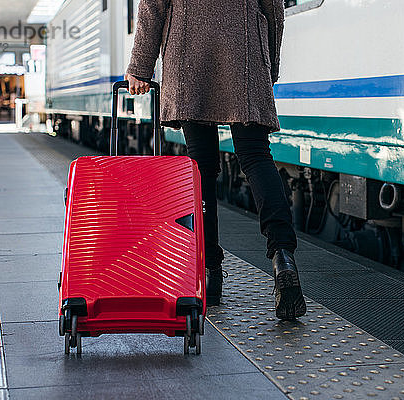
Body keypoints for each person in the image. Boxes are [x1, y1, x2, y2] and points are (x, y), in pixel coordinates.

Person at [125, 0, 306, 320]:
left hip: (188, 55)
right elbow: (274, 9)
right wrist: (268, 65)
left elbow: (153, 6)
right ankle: (282, 256)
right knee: (256, 157)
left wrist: (140, 65)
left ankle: (209, 273)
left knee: (201, 168)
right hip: (244, 51)